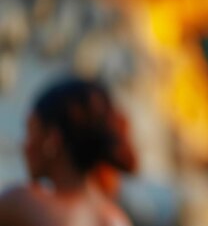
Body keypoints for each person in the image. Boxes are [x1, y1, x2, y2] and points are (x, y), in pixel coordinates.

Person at [0, 76, 137, 226]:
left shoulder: (20, 203)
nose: (24, 146)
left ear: (52, 139)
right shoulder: (117, 219)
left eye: (31, 132)